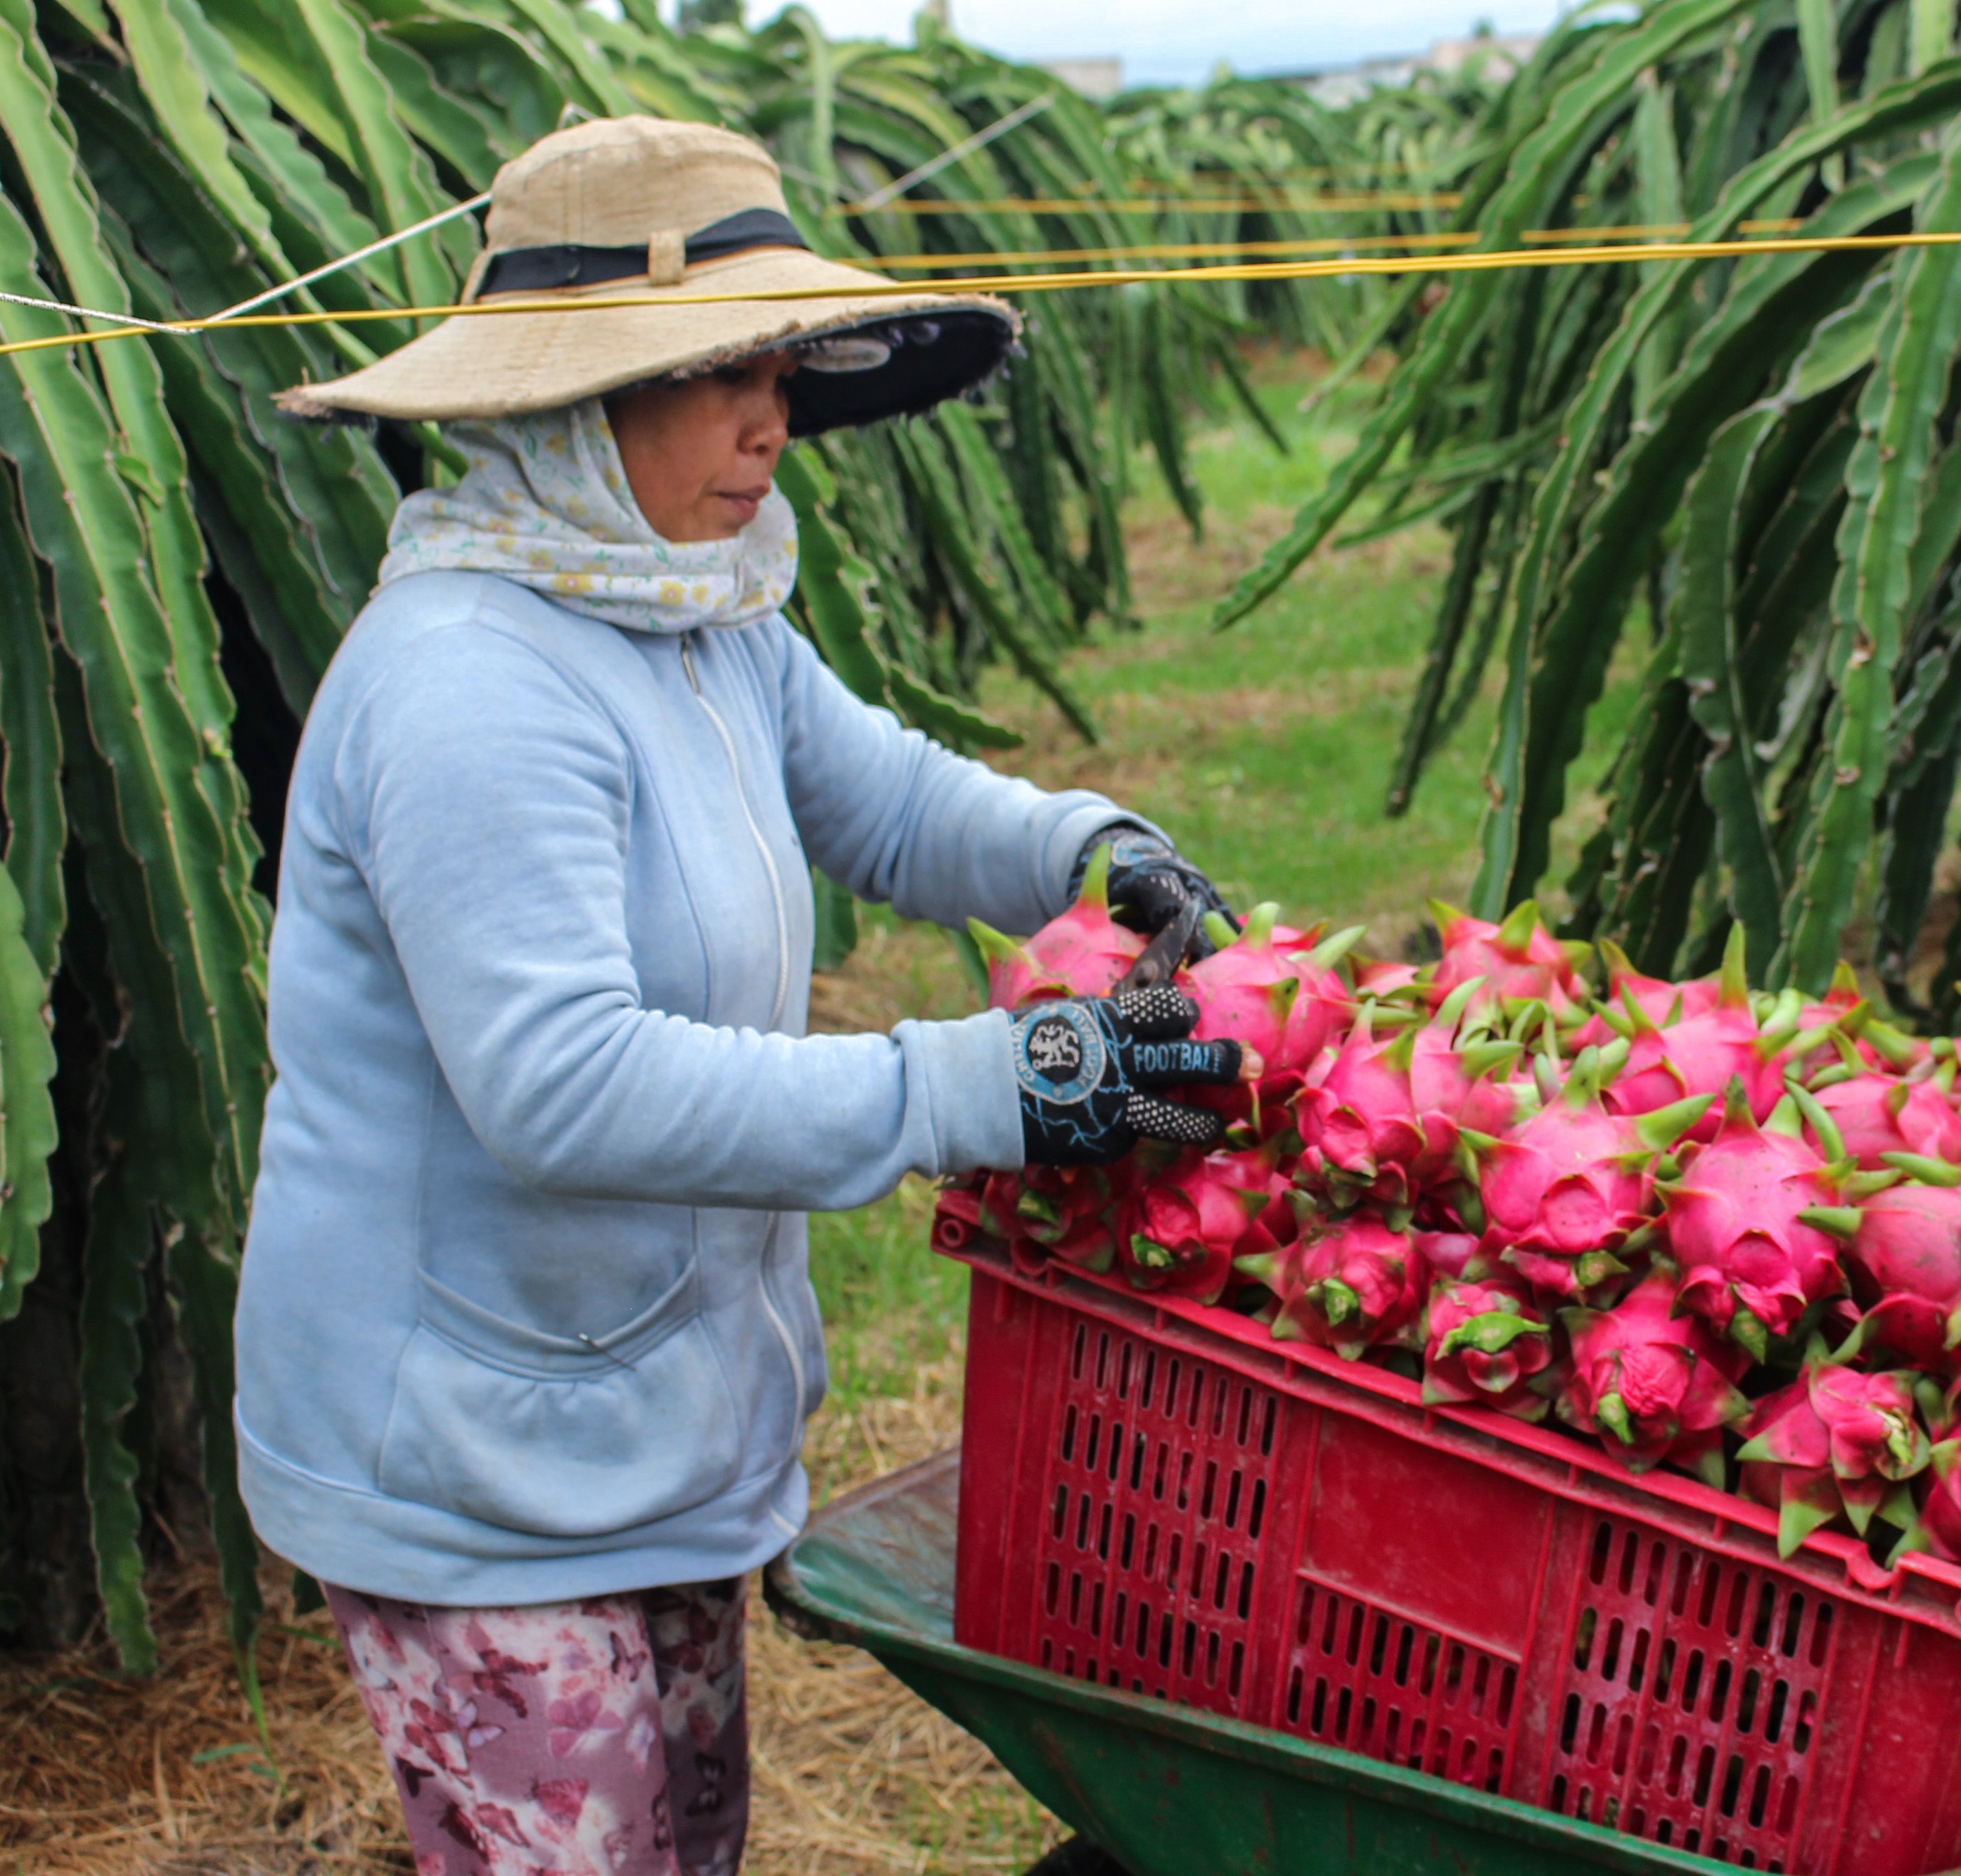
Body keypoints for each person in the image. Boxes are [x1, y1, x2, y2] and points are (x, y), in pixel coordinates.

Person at [238, 116, 1236, 1876]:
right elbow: (564, 1084)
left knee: (687, 1845)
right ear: (569, 399)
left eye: (776, 369)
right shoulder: (469, 680)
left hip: (637, 1412)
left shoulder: (697, 611)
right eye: (714, 372)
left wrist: (1091, 848)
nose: (767, 419)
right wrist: (980, 1084)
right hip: (471, 1456)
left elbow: (888, 797)